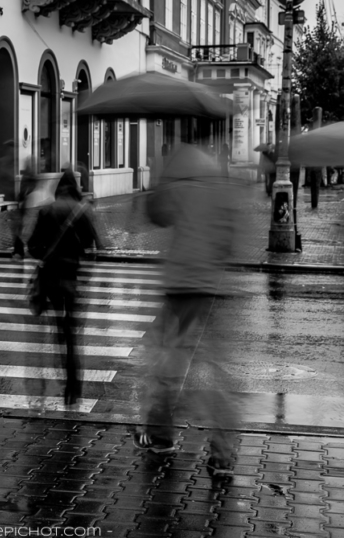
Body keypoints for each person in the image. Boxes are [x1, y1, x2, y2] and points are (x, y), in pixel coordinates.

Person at [134, 143, 244, 477]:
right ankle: (222, 455)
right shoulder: (223, 190)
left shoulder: (180, 183)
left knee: (168, 362)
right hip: (215, 287)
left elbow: (156, 215)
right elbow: (229, 241)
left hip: (183, 288)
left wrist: (157, 177)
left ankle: (161, 435)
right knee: (217, 372)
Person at [28, 169, 100, 407]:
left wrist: (46, 255)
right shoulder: (83, 211)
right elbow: (93, 245)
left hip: (50, 278)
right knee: (71, 334)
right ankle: (73, 386)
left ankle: (63, 375)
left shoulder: (47, 210)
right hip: (71, 278)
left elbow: (33, 246)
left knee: (59, 329)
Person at [11, 154, 37, 260]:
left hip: (27, 205)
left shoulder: (28, 176)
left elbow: (24, 191)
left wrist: (21, 200)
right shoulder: (31, 176)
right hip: (29, 205)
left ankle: (19, 251)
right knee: (26, 229)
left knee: (22, 229)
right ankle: (22, 250)